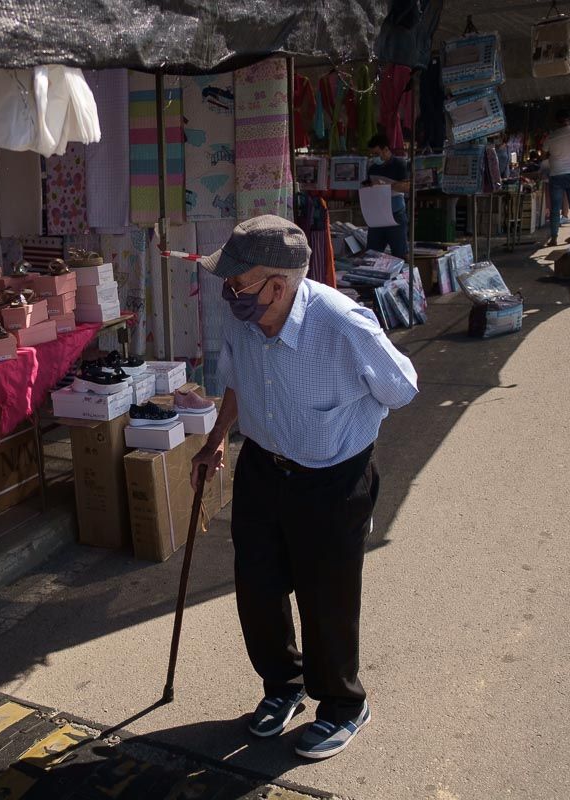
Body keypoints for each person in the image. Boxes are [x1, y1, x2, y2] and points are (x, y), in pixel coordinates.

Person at [190, 214, 418, 760]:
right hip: (264, 467)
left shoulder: (343, 324)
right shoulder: (243, 319)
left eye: (238, 281)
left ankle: (342, 705)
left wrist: (350, 420)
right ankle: (282, 686)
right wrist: (218, 437)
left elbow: (401, 388)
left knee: (327, 597)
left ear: (277, 284)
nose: (229, 291)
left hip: (333, 477)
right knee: (258, 586)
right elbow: (237, 381)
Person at [362, 134, 410, 259]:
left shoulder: (399, 164)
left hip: (396, 215)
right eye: (372, 154)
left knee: (399, 254)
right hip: (377, 216)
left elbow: (407, 187)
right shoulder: (373, 168)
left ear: (386, 150)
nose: (375, 157)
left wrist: (385, 185)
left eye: (377, 154)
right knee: (372, 254)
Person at [542, 109, 570, 246]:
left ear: (556, 122)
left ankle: (554, 238)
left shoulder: (551, 137)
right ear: (569, 120)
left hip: (557, 174)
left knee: (555, 207)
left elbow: (544, 152)